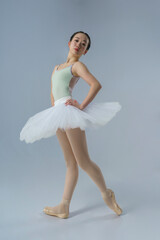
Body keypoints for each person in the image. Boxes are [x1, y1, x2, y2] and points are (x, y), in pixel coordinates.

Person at [20, 31, 123, 218]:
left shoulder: (77, 65)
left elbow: (96, 84)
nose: (79, 44)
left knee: (83, 161)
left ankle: (107, 194)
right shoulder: (57, 67)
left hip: (68, 112)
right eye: (77, 40)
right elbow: (53, 93)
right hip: (58, 113)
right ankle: (64, 206)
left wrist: (81, 106)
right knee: (70, 163)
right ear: (69, 43)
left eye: (84, 44)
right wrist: (54, 112)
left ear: (85, 51)